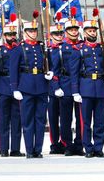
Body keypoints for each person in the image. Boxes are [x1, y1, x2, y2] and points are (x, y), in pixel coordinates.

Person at [10, 10, 53, 158]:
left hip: (41, 86)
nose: (34, 33)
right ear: (25, 32)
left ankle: (38, 150)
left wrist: (50, 73)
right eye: (30, 31)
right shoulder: (19, 48)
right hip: (26, 86)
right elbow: (13, 69)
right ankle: (29, 150)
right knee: (28, 121)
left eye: (35, 31)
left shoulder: (41, 47)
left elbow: (49, 65)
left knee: (40, 120)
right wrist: (15, 88)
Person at [70, 13, 104, 158]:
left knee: (100, 121)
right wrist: (75, 91)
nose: (93, 33)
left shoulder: (102, 49)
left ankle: (98, 147)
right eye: (90, 31)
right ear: (85, 32)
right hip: (86, 88)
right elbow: (74, 72)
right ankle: (88, 148)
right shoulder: (79, 50)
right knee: (86, 121)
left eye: (94, 31)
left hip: (100, 87)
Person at [49, 9, 85, 156]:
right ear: (66, 31)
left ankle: (79, 143)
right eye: (71, 29)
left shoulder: (83, 46)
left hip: (81, 84)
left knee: (81, 117)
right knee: (66, 117)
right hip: (65, 84)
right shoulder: (61, 49)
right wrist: (56, 86)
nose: (74, 32)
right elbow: (55, 71)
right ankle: (67, 144)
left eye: (76, 29)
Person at [0, 14, 24, 157]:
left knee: (17, 119)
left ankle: (15, 149)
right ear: (4, 36)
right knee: (3, 120)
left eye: (13, 34)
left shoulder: (18, 49)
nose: (11, 37)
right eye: (8, 35)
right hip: (2, 87)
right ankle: (3, 149)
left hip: (16, 88)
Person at [47, 19, 66, 155]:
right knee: (53, 118)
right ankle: (54, 143)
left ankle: (64, 142)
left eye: (61, 33)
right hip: (52, 88)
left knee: (65, 117)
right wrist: (54, 85)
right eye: (56, 34)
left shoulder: (66, 48)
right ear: (51, 35)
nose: (59, 36)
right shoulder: (48, 50)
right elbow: (50, 70)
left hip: (65, 85)